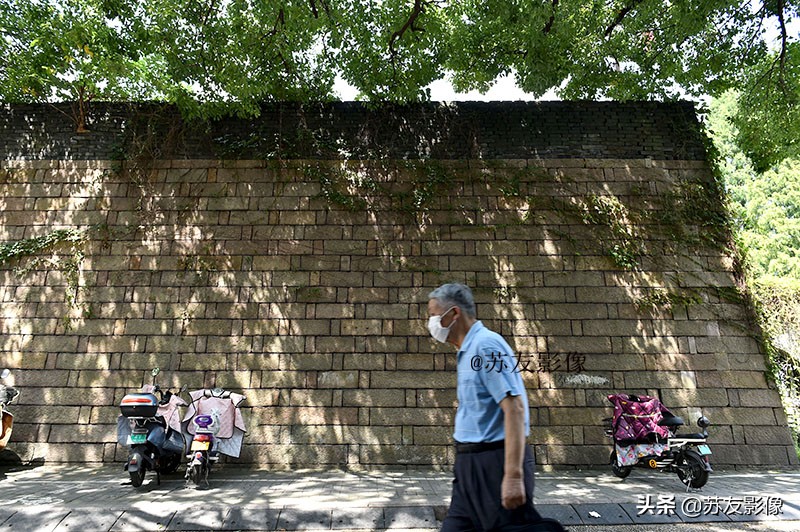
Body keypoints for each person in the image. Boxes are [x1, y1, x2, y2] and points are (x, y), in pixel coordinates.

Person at [427, 283, 562, 532]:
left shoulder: (486, 347)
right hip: (469, 465)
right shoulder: (467, 350)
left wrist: (512, 476)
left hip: (494, 464)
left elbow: (515, 409)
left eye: (435, 315)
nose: (432, 322)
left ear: (454, 313)